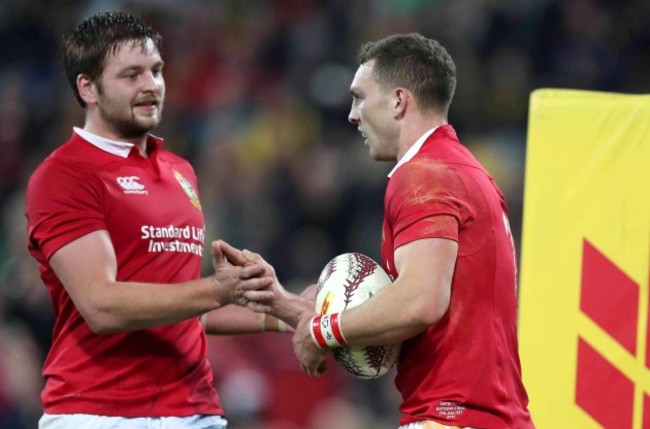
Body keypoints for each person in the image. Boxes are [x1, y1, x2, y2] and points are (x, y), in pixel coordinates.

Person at [228, 33, 535, 429]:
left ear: (398, 101)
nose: (353, 114)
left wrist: (321, 331)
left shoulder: (423, 175)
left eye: (359, 97)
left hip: (452, 416)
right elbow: (425, 312)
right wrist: (290, 306)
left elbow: (421, 301)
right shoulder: (465, 170)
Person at [24, 11, 304, 429]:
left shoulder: (179, 171)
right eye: (131, 75)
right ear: (88, 88)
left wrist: (286, 311)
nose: (151, 86)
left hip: (195, 408)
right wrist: (216, 288)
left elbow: (182, 306)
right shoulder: (64, 174)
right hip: (99, 412)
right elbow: (102, 305)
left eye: (156, 71)